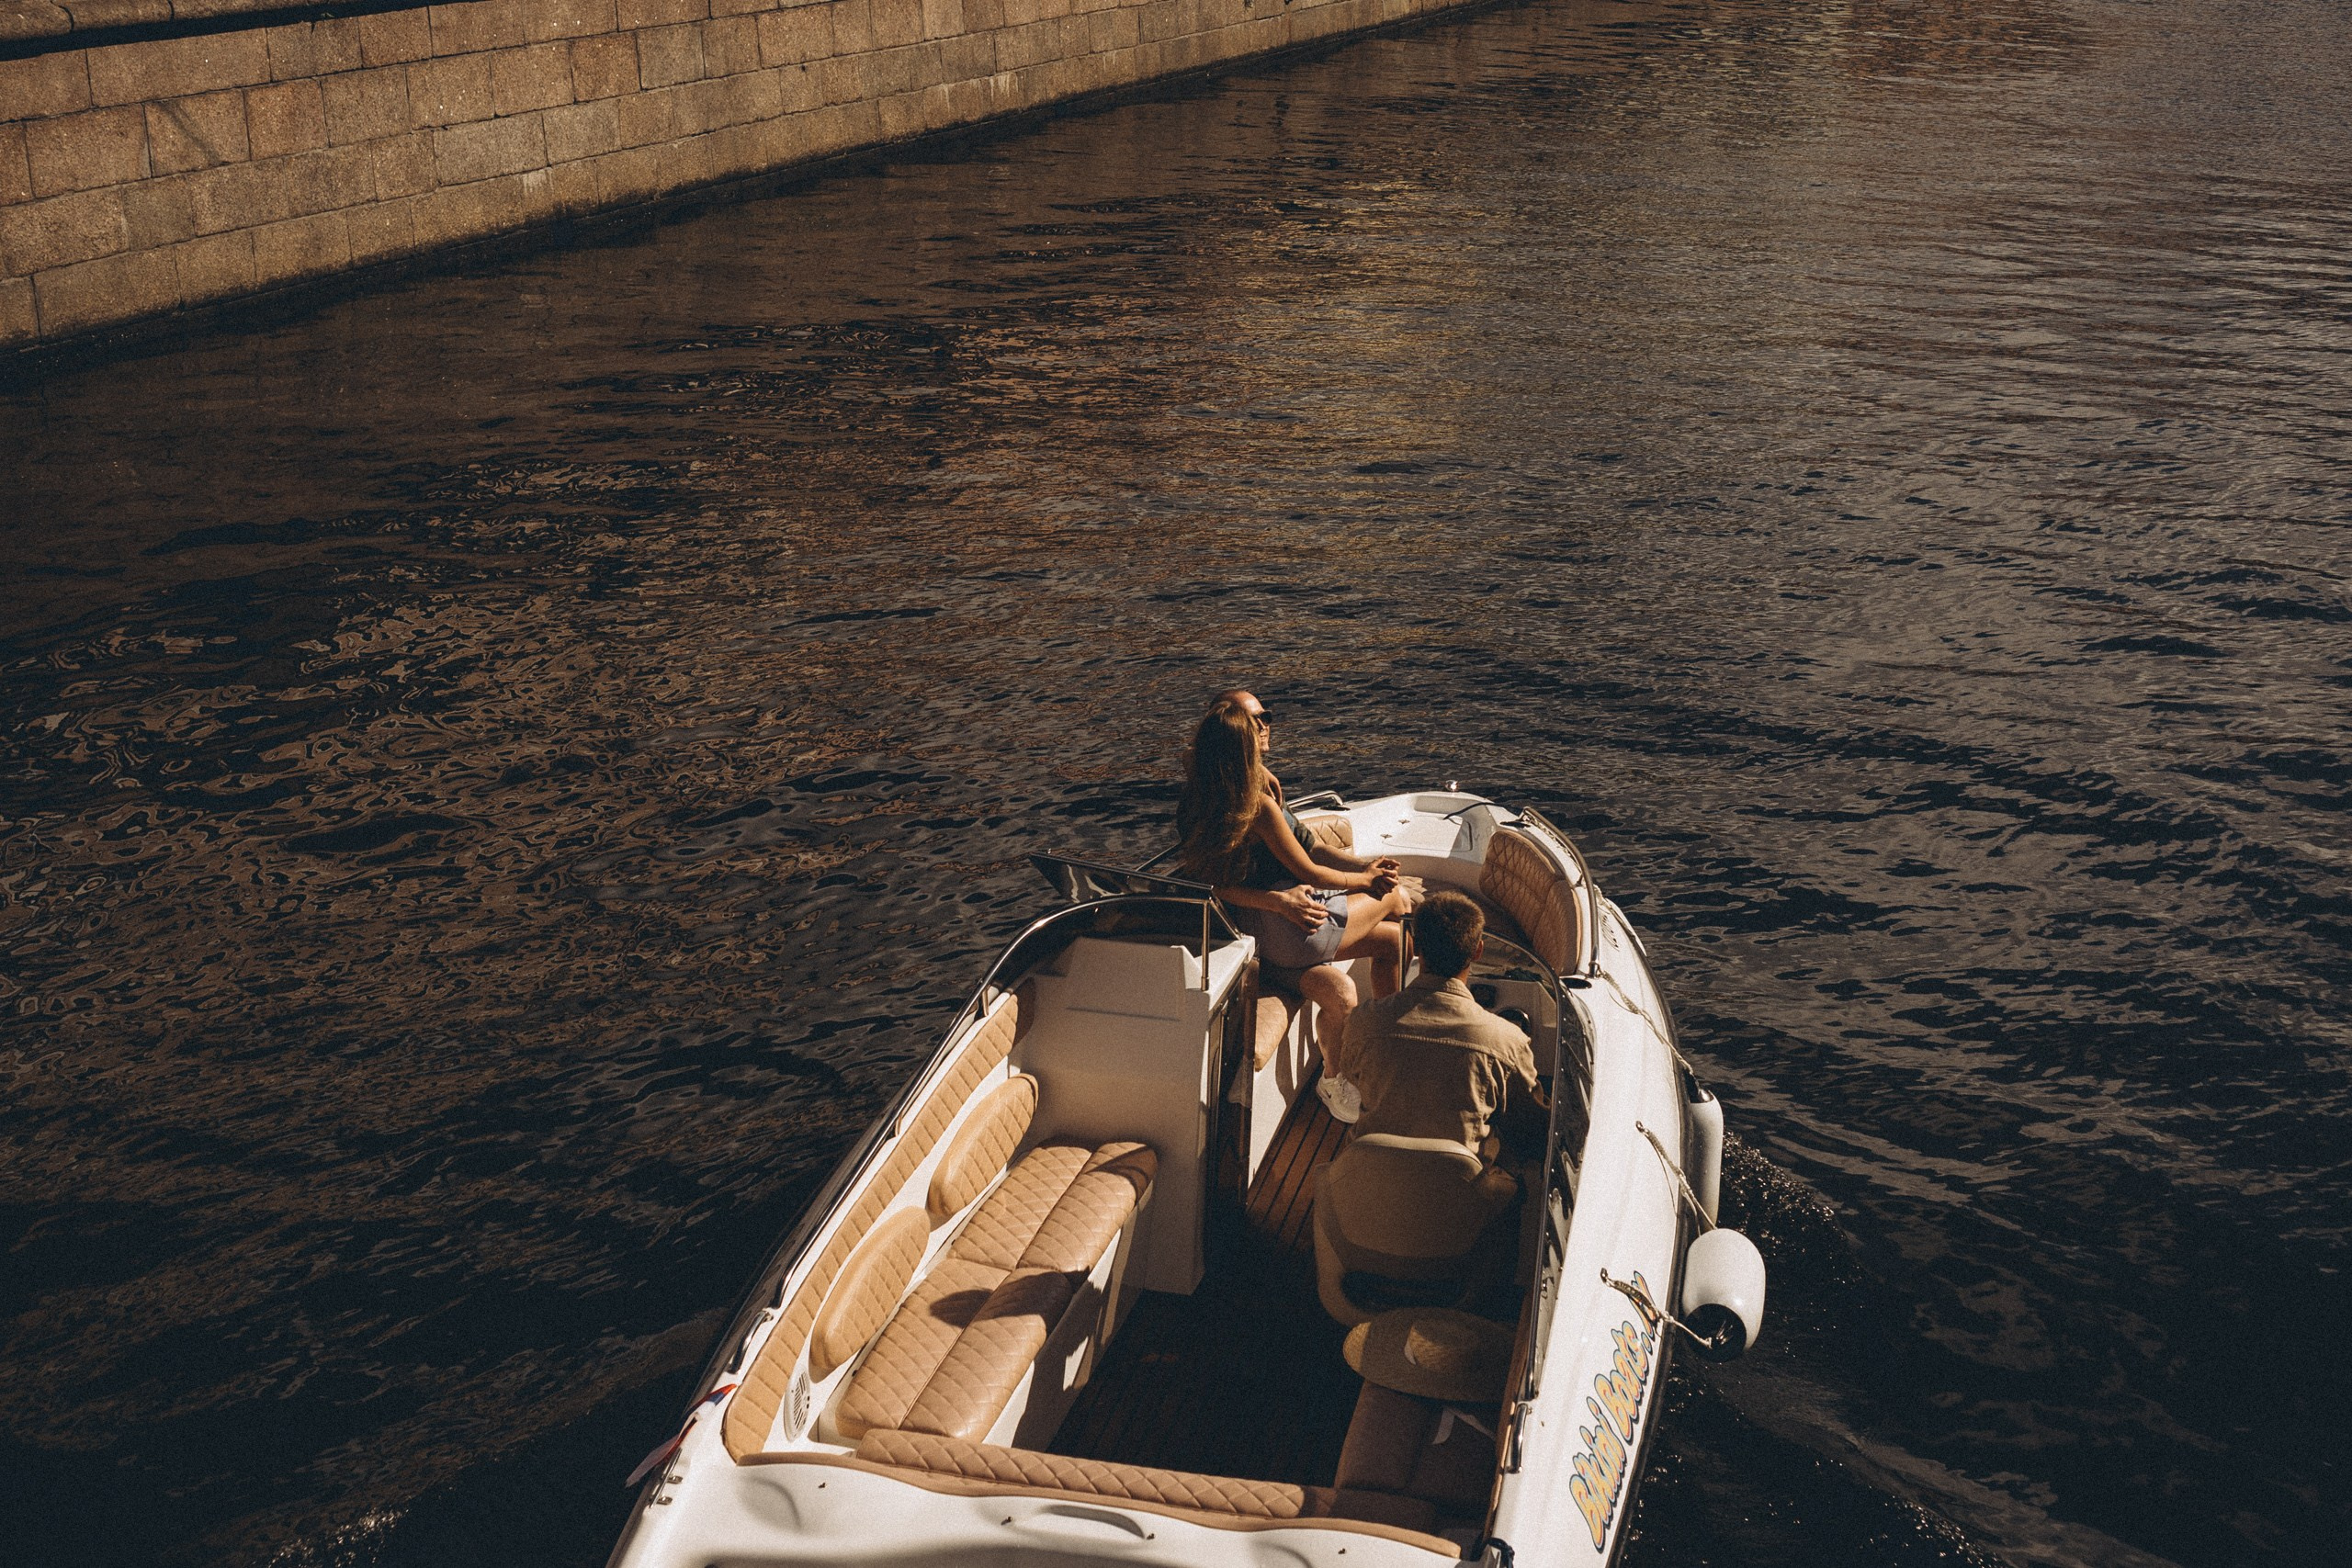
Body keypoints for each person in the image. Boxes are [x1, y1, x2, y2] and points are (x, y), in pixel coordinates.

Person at [1175, 690, 1408, 1122]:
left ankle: (1353, 1065)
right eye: (1257, 721)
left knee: (1391, 943)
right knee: (1398, 898)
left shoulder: (1200, 799)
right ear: (1240, 742)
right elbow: (1315, 871)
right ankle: (1391, 1040)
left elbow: (1209, 880)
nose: (1267, 725)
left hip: (1256, 935)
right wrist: (1368, 879)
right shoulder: (1257, 805)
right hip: (1292, 933)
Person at [1342, 889, 1547, 1162]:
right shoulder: (1508, 1042)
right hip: (1456, 1192)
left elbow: (1352, 1075)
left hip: (1369, 1173)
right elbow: (1531, 1131)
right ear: (1478, 950)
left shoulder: (1364, 1021)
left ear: (1414, 945)